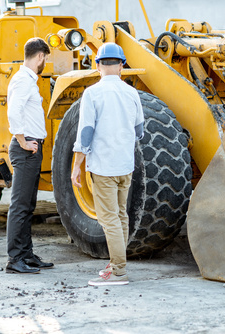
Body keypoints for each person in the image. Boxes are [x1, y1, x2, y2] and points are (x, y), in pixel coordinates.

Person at [71, 43, 145, 286]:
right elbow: (139, 131)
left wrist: (77, 166)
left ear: (97, 65)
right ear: (122, 65)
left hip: (103, 167)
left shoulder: (92, 94)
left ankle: (118, 272)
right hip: (125, 165)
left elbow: (86, 133)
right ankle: (116, 264)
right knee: (120, 216)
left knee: (109, 219)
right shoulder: (132, 93)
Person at [6, 37, 54, 274]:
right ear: (40, 57)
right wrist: (23, 140)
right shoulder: (24, 80)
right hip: (26, 149)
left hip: (32, 148)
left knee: (28, 205)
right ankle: (15, 259)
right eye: (45, 58)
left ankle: (26, 254)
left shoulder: (27, 80)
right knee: (20, 205)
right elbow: (14, 110)